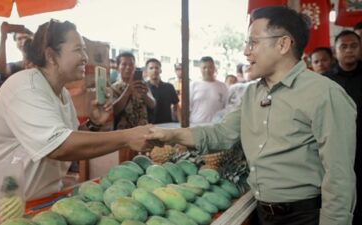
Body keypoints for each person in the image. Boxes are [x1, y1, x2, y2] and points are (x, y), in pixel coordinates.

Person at [146, 6, 356, 225]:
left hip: (304, 217)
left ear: (283, 44)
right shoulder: (252, 94)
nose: (246, 52)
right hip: (262, 214)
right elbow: (221, 134)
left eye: (253, 42)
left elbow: (339, 176)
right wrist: (169, 136)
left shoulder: (324, 94)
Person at [0, 20, 152, 200]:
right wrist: (128, 137)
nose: (85, 58)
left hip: (35, 203)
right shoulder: (25, 87)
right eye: (78, 50)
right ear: (51, 56)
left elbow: (69, 137)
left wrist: (93, 123)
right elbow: (59, 147)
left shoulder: (60, 92)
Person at [325, 30, 362, 225]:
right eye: (343, 46)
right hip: (335, 151)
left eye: (354, 46)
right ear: (335, 51)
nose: (349, 50)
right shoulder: (324, 81)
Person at [111, 52, 155, 162]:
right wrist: (128, 90)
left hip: (144, 135)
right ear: (118, 67)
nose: (128, 68)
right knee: (126, 165)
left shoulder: (143, 85)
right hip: (124, 138)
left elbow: (153, 104)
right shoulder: (113, 88)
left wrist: (144, 95)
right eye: (124, 64)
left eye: (131, 64)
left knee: (145, 164)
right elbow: (114, 110)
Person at [189, 56, 227, 124]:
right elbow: (188, 108)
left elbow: (226, 107)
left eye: (210, 67)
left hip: (215, 126)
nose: (207, 70)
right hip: (195, 125)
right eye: (204, 68)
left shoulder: (222, 86)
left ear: (214, 68)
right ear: (200, 69)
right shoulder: (193, 85)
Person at [145, 58, 180, 124]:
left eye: (156, 68)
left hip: (168, 125)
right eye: (151, 68)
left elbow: (176, 106)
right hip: (149, 126)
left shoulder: (169, 87)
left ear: (160, 70)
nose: (154, 70)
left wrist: (180, 123)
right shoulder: (144, 88)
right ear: (146, 71)